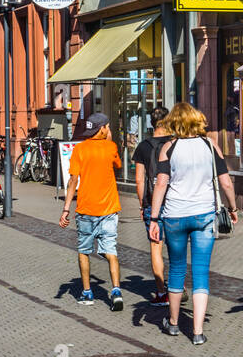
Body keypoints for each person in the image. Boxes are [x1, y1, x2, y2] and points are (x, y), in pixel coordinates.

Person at [148, 103, 237, 344]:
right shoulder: (210, 145)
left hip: (174, 215)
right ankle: (197, 332)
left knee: (176, 269)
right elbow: (226, 182)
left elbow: (161, 184)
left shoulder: (169, 147)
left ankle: (174, 323)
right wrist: (233, 207)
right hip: (203, 215)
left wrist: (154, 219)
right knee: (200, 273)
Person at [58, 112, 124, 310]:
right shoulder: (111, 147)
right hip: (109, 209)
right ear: (102, 129)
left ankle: (87, 293)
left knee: (84, 252)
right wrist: (110, 142)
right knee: (111, 251)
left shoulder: (79, 150)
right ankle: (116, 290)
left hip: (86, 209)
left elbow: (72, 181)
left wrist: (65, 209)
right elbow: (118, 166)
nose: (109, 130)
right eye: (108, 127)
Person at [132, 106, 172, 305]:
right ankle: (176, 287)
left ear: (152, 123)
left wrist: (142, 204)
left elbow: (139, 180)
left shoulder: (143, 146)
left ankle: (162, 292)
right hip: (174, 202)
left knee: (156, 248)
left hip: (151, 203)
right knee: (176, 248)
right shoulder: (175, 144)